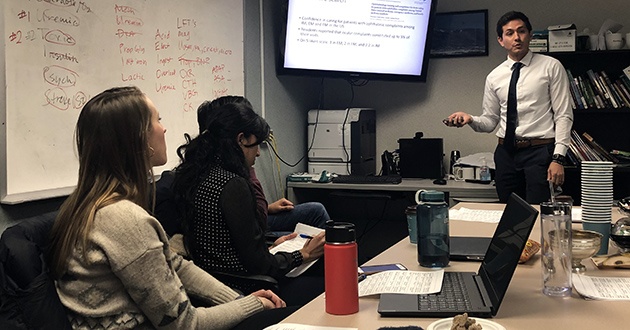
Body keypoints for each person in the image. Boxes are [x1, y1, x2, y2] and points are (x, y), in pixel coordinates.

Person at [48, 87, 290, 330]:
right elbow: (184, 324)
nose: (163, 129)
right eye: (157, 120)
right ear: (138, 138)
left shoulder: (88, 204)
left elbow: (175, 264)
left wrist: (236, 299)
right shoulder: (125, 220)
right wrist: (253, 305)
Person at [169, 96, 326, 306]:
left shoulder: (196, 173)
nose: (258, 153)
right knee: (329, 283)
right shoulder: (233, 185)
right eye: (256, 145)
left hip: (215, 282)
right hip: (248, 286)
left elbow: (231, 242)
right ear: (241, 139)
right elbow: (260, 266)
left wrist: (270, 244)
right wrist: (302, 254)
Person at [444, 11, 573, 204]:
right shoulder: (494, 76)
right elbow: (490, 121)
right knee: (509, 212)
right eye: (510, 33)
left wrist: (558, 158)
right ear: (501, 40)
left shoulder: (551, 67)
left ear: (530, 35)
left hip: (539, 152)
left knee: (539, 212)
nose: (516, 37)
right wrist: (470, 119)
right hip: (506, 154)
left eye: (521, 31)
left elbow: (563, 114)